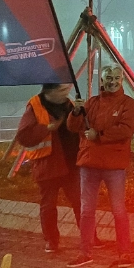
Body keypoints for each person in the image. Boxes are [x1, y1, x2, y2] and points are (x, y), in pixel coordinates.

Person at [66, 65, 134, 268]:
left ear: (122, 80)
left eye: (116, 77)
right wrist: (77, 111)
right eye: (109, 77)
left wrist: (99, 136)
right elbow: (73, 127)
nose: (112, 81)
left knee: (118, 210)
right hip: (89, 163)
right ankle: (85, 252)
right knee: (86, 211)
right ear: (103, 80)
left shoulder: (128, 103)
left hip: (114, 165)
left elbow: (125, 130)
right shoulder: (92, 102)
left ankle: (125, 253)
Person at [14, 82, 83, 253]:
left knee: (80, 203)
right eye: (61, 90)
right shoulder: (35, 107)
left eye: (67, 89)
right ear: (49, 92)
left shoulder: (69, 104)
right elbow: (23, 136)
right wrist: (46, 128)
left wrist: (78, 113)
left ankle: (89, 236)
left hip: (71, 163)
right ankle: (52, 241)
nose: (66, 93)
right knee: (49, 206)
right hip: (48, 165)